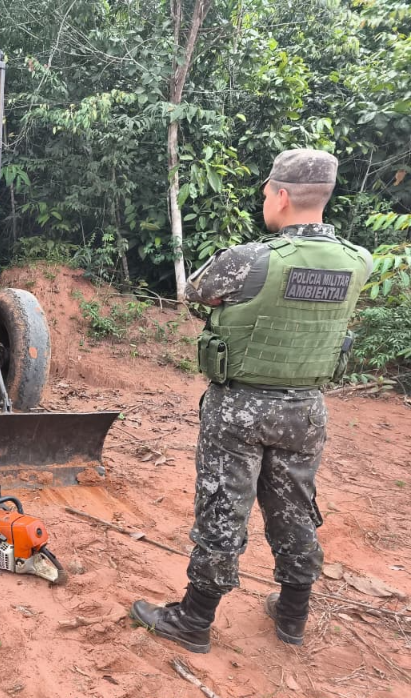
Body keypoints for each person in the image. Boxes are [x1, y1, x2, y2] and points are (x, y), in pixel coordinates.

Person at [130, 149, 373, 653]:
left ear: (282, 195)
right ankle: (292, 616)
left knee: (223, 507)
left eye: (266, 192)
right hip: (305, 409)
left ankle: (194, 620)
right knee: (296, 509)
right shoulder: (359, 262)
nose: (265, 200)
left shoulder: (250, 260)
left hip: (240, 407)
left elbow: (196, 292)